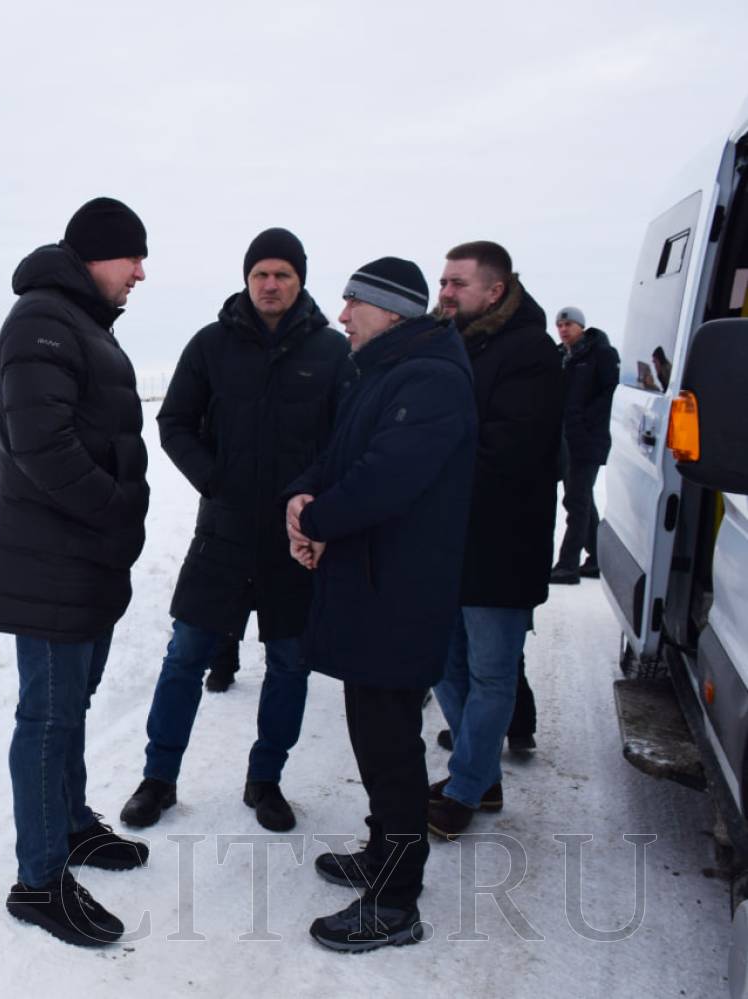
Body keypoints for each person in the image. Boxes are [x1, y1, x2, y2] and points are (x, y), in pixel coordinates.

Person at [118, 228, 349, 833]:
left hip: (295, 540)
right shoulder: (211, 345)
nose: (270, 284)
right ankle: (158, 778)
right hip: (222, 533)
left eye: (283, 275)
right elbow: (174, 421)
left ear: (300, 281)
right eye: (260, 274)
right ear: (246, 279)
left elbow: (347, 439)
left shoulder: (331, 352)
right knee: (184, 656)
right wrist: (214, 479)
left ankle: (265, 780)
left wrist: (317, 502)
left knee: (290, 663)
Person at [285, 257, 477, 952]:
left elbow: (385, 478)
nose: (341, 316)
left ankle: (395, 902)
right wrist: (302, 498)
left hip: (400, 592)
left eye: (353, 303)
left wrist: (316, 520)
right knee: (373, 734)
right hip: (371, 586)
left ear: (391, 311)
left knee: (391, 745)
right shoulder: (384, 371)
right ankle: (380, 852)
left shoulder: (431, 380)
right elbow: (339, 457)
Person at [0, 196, 152, 948]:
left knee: (70, 705)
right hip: (48, 560)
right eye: (132, 257)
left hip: (83, 559)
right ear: (96, 254)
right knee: (48, 717)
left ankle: (72, 825)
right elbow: (42, 447)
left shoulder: (80, 322)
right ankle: (39, 880)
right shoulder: (41, 321)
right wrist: (117, 506)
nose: (140, 272)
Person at [428, 241, 563, 839]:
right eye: (443, 281)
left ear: (495, 290)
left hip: (503, 543)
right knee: (443, 663)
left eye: (457, 283)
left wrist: (426, 465)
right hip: (448, 541)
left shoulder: (531, 352)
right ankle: (478, 777)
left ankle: (464, 789)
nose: (445, 293)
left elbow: (511, 449)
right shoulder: (449, 342)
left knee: (490, 673)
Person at [549, 306, 620, 584]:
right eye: (560, 325)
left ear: (581, 326)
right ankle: (597, 558)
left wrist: (583, 421)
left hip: (588, 439)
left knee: (576, 501)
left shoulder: (601, 354)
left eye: (568, 324)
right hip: (566, 440)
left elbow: (610, 392)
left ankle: (568, 565)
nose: (563, 329)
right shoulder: (561, 356)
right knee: (581, 499)